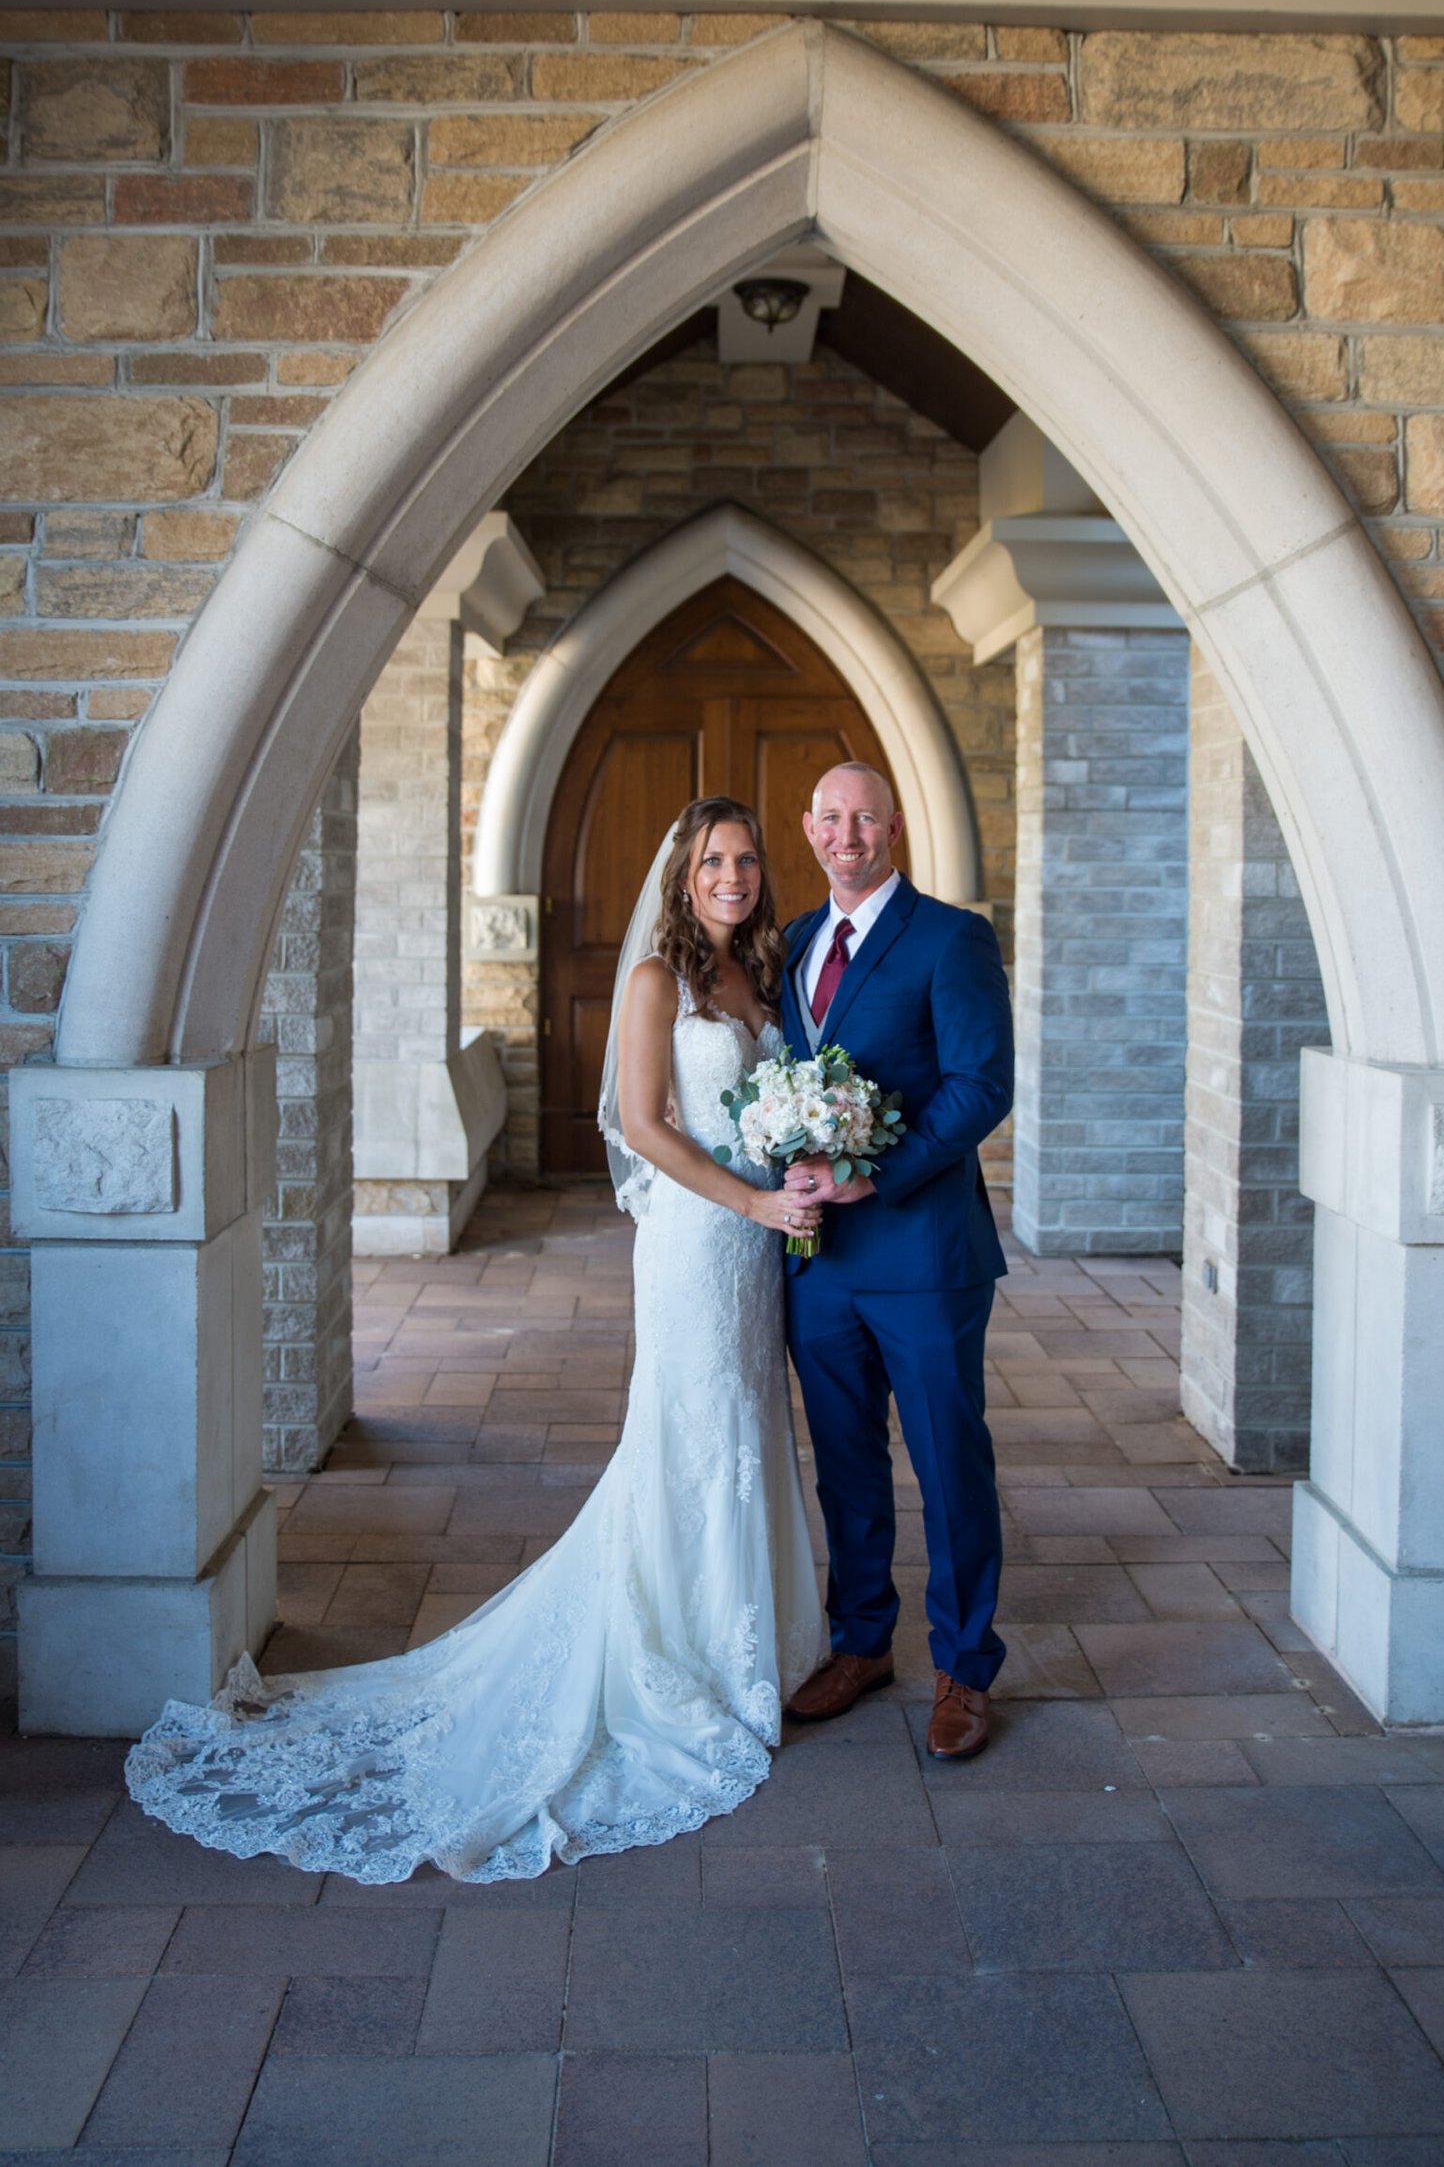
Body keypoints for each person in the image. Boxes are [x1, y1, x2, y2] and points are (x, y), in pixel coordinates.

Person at [123, 798, 825, 1884]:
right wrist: (752, 1201)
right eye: (712, 862)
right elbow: (645, 1126)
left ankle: (744, 1641)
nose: (732, 876)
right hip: (700, 1238)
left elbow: (768, 1106)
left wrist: (793, 1176)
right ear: (682, 877)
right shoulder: (658, 981)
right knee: (689, 1432)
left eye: (745, 859)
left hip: (755, 1243)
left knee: (743, 1422)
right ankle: (677, 1658)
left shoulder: (762, 976)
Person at [778, 762, 1014, 1761]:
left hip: (922, 1250)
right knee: (844, 1462)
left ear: (895, 828)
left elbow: (980, 1086)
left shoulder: (951, 938)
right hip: (819, 1259)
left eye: (865, 818)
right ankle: (862, 1641)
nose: (848, 835)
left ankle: (965, 1665)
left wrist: (876, 1174)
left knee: (946, 1461)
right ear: (809, 828)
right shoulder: (795, 940)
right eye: (831, 818)